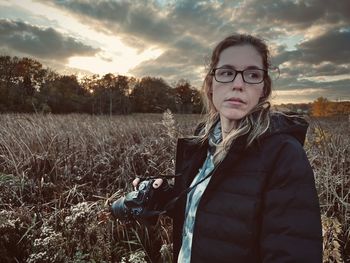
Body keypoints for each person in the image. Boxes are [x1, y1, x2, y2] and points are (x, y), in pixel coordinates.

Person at [133, 34, 323, 262]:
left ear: (263, 89)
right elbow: (219, 215)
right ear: (211, 84)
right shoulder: (203, 142)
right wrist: (163, 197)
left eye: (252, 75)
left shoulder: (284, 154)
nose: (238, 84)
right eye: (226, 72)